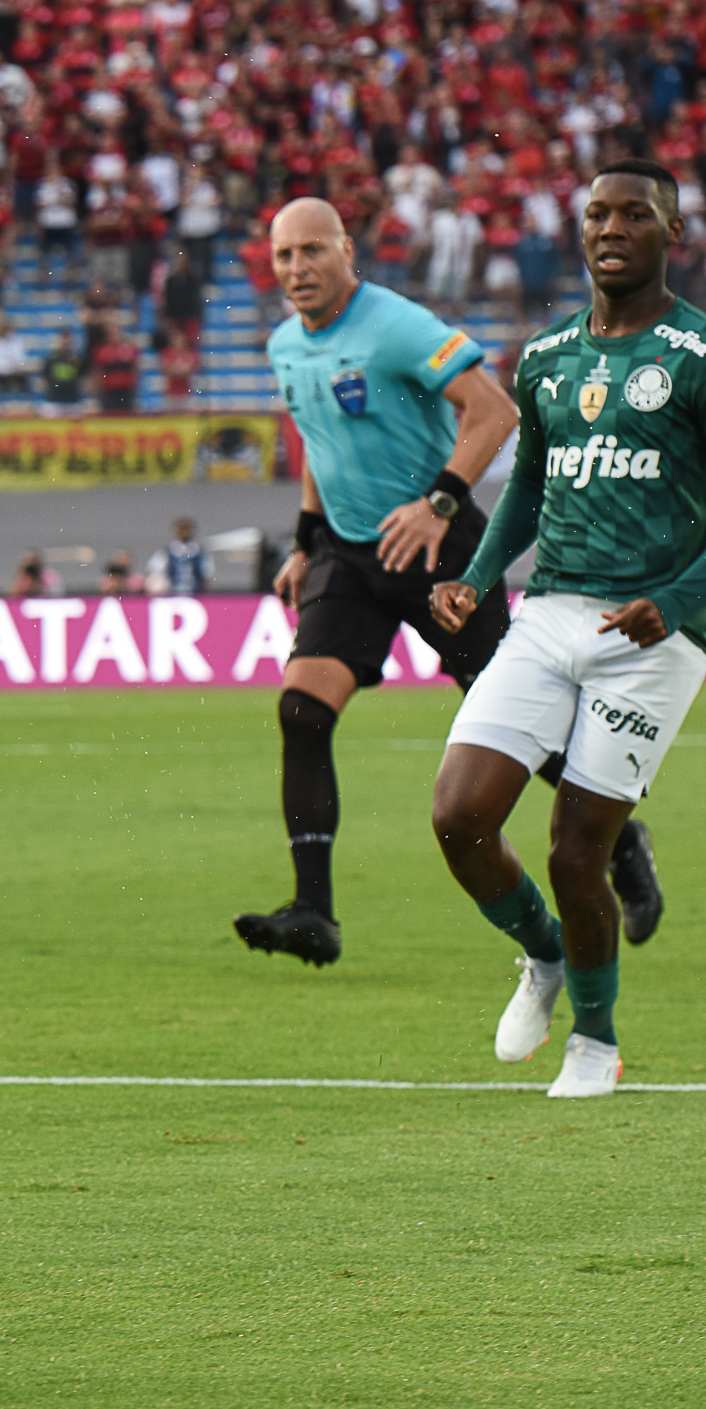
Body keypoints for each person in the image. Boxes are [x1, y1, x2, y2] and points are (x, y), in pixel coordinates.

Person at [426, 161, 706, 1099]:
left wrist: (677, 598)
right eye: (596, 214)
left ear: (671, 232)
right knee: (458, 817)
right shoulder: (546, 357)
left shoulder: (703, 356)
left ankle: (595, 1037)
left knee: (575, 850)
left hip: (651, 641)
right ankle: (543, 955)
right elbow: (528, 492)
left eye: (634, 213)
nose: (611, 227)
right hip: (549, 613)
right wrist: (473, 577)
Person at [234, 196, 524, 969]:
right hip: (348, 552)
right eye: (284, 255)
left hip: (438, 543)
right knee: (301, 708)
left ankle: (623, 842)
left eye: (311, 252)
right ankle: (312, 913)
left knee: (516, 726)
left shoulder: (396, 325)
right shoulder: (285, 346)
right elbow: (317, 442)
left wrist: (437, 505)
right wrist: (302, 543)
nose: (296, 269)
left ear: (346, 252)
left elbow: (496, 413)